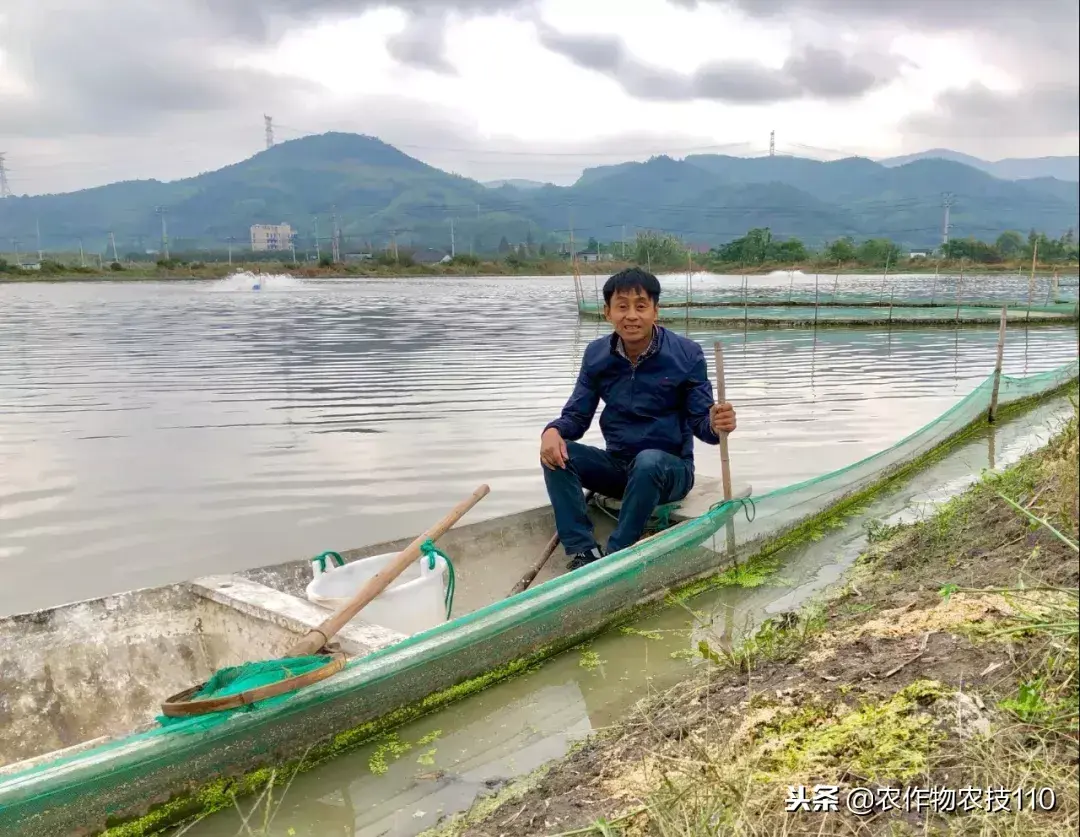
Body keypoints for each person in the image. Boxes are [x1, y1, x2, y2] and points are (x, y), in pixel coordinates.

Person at [540, 267, 737, 570]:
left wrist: (717, 422)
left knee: (648, 462)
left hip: (670, 471)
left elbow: (705, 428)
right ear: (607, 312)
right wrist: (552, 431)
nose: (631, 316)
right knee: (557, 454)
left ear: (655, 311)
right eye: (622, 307)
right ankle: (584, 551)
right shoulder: (596, 356)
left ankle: (618, 553)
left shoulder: (686, 355)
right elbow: (577, 417)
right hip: (620, 468)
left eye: (641, 306)